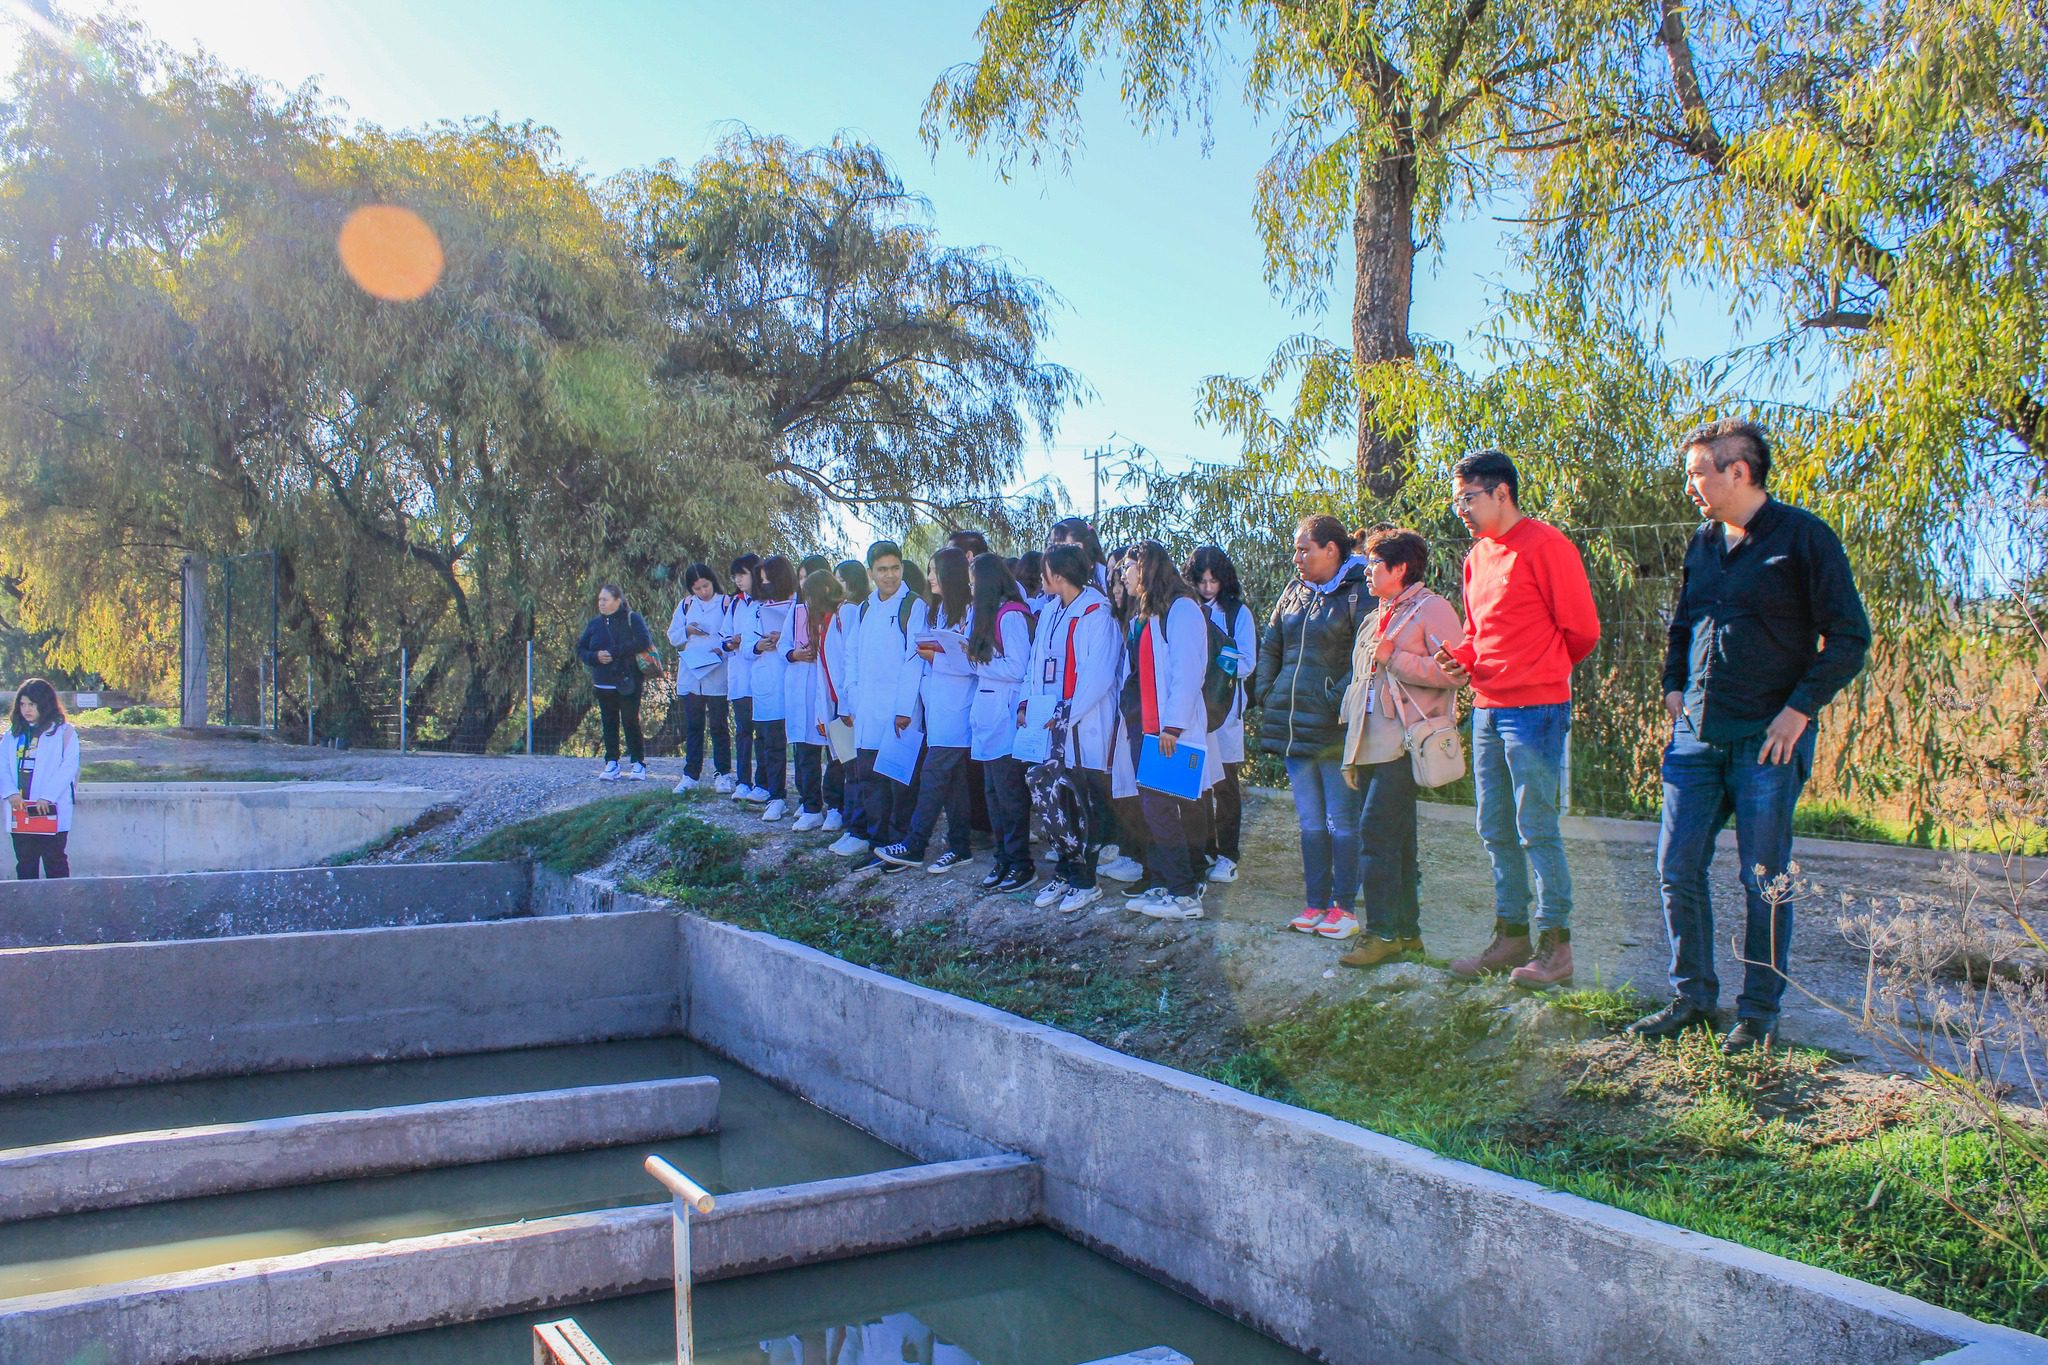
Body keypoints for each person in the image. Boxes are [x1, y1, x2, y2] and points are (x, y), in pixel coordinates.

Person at [1627, 419, 1870, 1052]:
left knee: (1764, 876)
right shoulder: (1703, 543)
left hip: (1769, 740)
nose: (1690, 485)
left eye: (1698, 472)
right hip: (1695, 738)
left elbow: (1848, 639)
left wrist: (1800, 711)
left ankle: (1759, 1012)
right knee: (1676, 868)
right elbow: (1683, 624)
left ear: (1739, 471)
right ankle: (1691, 998)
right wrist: (1672, 687)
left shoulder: (1806, 538)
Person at [1436, 450, 1601, 990]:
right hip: (1486, 708)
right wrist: (1462, 659)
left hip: (1535, 711)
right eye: (1456, 498)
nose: (1460, 508)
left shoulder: (1548, 546)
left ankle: (1557, 946)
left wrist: (1536, 670)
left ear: (1501, 493)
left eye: (1468, 498)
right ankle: (1511, 938)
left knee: (1536, 827)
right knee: (1493, 827)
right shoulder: (1477, 556)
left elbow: (1581, 631)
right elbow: (1479, 632)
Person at [1337, 529, 1464, 966]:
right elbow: (1360, 689)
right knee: (1399, 842)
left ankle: (1381, 933)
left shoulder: (1433, 610)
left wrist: (1397, 659)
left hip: (1405, 744)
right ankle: (1408, 935)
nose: (1366, 571)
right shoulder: (1376, 616)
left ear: (1400, 568)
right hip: (1371, 745)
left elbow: (1456, 672)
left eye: (1373, 563)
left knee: (1375, 836)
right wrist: (1350, 754)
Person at [1250, 516, 1373, 940]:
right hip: (1292, 726)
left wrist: (1331, 697)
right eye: (1296, 549)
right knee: (1310, 822)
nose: (1296, 558)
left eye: (1305, 549)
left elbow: (1367, 654)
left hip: (1334, 729)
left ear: (1332, 550)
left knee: (1342, 820)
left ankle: (1345, 907)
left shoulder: (1359, 591)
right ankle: (1316, 903)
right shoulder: (1294, 592)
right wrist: (1268, 690)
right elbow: (1271, 645)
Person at [1119, 542, 1220, 920]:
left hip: (1171, 733)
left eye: (1128, 568)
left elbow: (1187, 672)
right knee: (1161, 810)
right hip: (1155, 731)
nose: (1123, 575)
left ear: (1146, 568)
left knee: (1164, 810)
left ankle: (1184, 894)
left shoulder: (1183, 609)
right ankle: (1172, 883)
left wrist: (1172, 726)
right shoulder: (1157, 613)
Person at [1020, 542, 1121, 914]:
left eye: (1045, 571)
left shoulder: (1097, 613)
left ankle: (1085, 879)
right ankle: (1064, 870)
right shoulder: (1049, 612)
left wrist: (1065, 714)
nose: (1040, 577)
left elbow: (1098, 676)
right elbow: (1035, 664)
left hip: (1084, 723)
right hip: (1051, 723)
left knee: (1086, 804)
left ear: (1058, 576)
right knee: (1054, 801)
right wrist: (1027, 703)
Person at [876, 547, 977, 873]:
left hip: (958, 706)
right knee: (953, 783)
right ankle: (960, 847)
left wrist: (938, 658)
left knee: (933, 775)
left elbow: (973, 663)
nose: (929, 577)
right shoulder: (938, 611)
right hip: (937, 706)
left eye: (934, 571)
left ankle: (915, 844)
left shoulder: (970, 612)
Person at [830, 541, 929, 865]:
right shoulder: (866, 608)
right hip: (867, 709)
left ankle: (899, 845)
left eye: (895, 568)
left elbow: (914, 659)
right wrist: (853, 696)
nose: (890, 576)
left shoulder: (912, 605)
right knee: (871, 781)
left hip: (899, 712)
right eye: (883, 570)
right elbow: (852, 655)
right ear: (871, 572)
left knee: (900, 782)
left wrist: (904, 709)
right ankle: (878, 844)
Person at [965, 552, 1037, 892]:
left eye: (974, 580)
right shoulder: (984, 614)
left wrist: (980, 664)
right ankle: (1002, 858)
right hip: (987, 711)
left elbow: (1019, 667)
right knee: (993, 793)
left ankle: (1021, 862)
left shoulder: (1010, 615)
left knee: (1010, 794)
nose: (970, 586)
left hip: (1006, 713)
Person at [1185, 545, 1256, 884]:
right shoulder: (1186, 611)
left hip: (1225, 711)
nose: (1208, 588)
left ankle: (1228, 854)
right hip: (1196, 712)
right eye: (1202, 581)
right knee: (1199, 786)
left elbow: (1247, 660)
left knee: (1225, 785)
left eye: (1214, 581)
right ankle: (1205, 849)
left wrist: (1215, 668)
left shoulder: (1237, 613)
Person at [785, 568, 846, 832]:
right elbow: (783, 649)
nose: (807, 601)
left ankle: (836, 807)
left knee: (838, 754)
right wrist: (795, 654)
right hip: (808, 692)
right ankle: (811, 806)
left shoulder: (840, 616)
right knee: (807, 750)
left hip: (833, 694)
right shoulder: (798, 614)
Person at [575, 583, 653, 781]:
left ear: (617, 601)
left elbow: (643, 641)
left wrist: (615, 652)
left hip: (629, 680)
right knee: (609, 722)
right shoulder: (594, 624)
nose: (600, 603)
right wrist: (595, 657)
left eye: (605, 599)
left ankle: (637, 763)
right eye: (599, 599)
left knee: (630, 720)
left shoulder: (632, 619)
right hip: (603, 682)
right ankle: (611, 762)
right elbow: (581, 649)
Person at [667, 563, 732, 793]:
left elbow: (733, 635)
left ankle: (723, 773)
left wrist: (722, 650)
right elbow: (673, 637)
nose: (703, 592)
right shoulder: (686, 606)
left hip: (717, 672)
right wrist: (688, 630)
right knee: (694, 727)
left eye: (706, 586)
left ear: (712, 581)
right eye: (697, 589)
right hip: (692, 674)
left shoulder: (726, 603)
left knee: (719, 726)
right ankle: (690, 775)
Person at [5, 679, 79, 879]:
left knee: (54, 860)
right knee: (25, 862)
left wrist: (47, 797)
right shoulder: (12, 734)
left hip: (49, 809)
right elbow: (2, 766)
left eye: (32, 704)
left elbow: (68, 768)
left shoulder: (64, 732)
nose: (26, 709)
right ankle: (29, 908)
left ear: (44, 704)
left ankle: (60, 908)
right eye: (22, 704)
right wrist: (10, 792)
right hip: (21, 809)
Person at [744, 555, 799, 820]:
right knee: (770, 742)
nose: (764, 584)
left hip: (795, 677)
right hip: (767, 680)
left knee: (803, 744)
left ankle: (809, 798)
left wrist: (784, 640)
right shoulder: (755, 608)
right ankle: (775, 795)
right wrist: (758, 645)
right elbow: (745, 644)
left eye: (769, 579)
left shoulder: (799, 605)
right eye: (761, 579)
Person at [822, 558, 871, 833]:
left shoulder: (851, 612)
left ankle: (856, 825)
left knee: (852, 766)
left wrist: (845, 701)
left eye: (839, 579)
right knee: (846, 762)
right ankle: (852, 822)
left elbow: (847, 661)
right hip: (838, 697)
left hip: (847, 700)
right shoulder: (843, 611)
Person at [719, 554, 760, 796]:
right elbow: (723, 637)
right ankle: (743, 781)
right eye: (735, 576)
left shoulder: (767, 601)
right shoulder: (735, 603)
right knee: (743, 730)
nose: (739, 580)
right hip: (740, 677)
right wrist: (731, 643)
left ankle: (765, 783)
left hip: (762, 677)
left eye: (742, 574)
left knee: (765, 735)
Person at [1049, 516, 1110, 593]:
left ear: (1079, 546)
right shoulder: (1049, 580)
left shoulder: (1105, 577)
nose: (1052, 552)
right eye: (1051, 545)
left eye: (1060, 546)